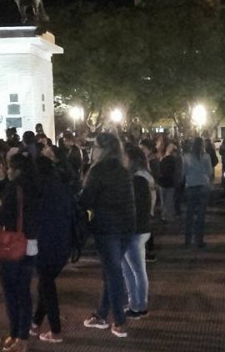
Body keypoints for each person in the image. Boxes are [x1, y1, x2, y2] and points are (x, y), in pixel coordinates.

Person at [80, 133, 135, 338]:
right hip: (126, 226)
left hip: (107, 227)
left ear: (101, 149)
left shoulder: (98, 171)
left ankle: (119, 321)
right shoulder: (123, 169)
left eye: (94, 147)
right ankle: (102, 314)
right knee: (111, 271)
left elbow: (86, 200)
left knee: (113, 274)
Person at [0, 153, 41, 352]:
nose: (8, 171)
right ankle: (22, 336)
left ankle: (15, 334)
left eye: (10, 168)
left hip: (14, 244)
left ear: (17, 170)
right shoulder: (37, 187)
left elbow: (3, 217)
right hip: (32, 244)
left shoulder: (14, 188)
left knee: (11, 292)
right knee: (24, 290)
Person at [29, 152, 74, 344]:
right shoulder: (61, 187)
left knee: (46, 286)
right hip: (63, 242)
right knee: (45, 284)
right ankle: (36, 322)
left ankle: (56, 331)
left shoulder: (39, 190)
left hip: (46, 244)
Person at [122, 143, 153, 319]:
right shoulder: (141, 178)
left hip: (134, 230)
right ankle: (134, 303)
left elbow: (136, 208)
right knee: (130, 270)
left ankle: (140, 305)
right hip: (137, 229)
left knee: (136, 270)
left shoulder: (137, 180)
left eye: (125, 158)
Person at [182, 137, 213, 248]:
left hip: (191, 185)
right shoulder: (206, 157)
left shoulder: (186, 157)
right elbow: (209, 171)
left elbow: (184, 172)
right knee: (201, 215)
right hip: (203, 185)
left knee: (189, 213)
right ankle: (199, 240)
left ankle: (188, 239)